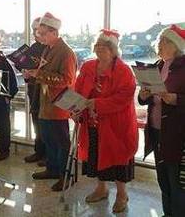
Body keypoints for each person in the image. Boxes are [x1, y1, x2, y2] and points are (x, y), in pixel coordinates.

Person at [74, 29, 138, 213]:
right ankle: (101, 188)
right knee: (95, 156)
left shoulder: (124, 71)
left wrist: (97, 103)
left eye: (104, 47)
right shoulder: (87, 67)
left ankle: (121, 194)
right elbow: (78, 90)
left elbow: (124, 97)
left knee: (118, 159)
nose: (100, 50)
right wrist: (75, 107)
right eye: (98, 46)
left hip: (117, 125)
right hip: (92, 122)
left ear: (113, 50)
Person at [26, 12, 77, 191]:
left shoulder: (66, 52)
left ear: (54, 32)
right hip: (45, 103)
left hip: (59, 105)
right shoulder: (48, 49)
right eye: (39, 33)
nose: (39, 36)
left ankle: (65, 175)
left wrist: (39, 74)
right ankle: (52, 169)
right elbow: (44, 74)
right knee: (48, 139)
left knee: (61, 142)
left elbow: (67, 80)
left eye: (43, 33)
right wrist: (33, 74)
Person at [138, 24, 185, 217]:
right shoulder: (157, 66)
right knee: (163, 178)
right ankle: (168, 213)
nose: (160, 44)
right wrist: (144, 94)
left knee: (177, 181)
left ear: (177, 45)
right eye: (159, 41)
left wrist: (175, 98)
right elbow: (144, 100)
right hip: (156, 130)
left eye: (165, 41)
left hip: (177, 133)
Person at [23, 17, 46, 165]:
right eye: (32, 31)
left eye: (36, 30)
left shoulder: (49, 48)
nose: (34, 33)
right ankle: (39, 151)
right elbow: (26, 67)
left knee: (45, 124)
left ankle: (48, 155)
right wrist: (26, 73)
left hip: (44, 91)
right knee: (36, 121)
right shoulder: (32, 48)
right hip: (33, 88)